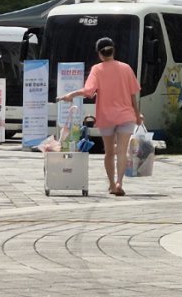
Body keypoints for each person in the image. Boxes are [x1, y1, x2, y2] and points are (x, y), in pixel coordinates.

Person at [59, 36, 142, 196]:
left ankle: (111, 184)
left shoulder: (97, 69)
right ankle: (120, 182)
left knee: (109, 152)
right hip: (126, 116)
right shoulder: (126, 68)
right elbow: (133, 95)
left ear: (99, 54)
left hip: (107, 117)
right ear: (113, 50)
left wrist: (71, 94)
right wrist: (137, 115)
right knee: (122, 151)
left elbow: (88, 91)